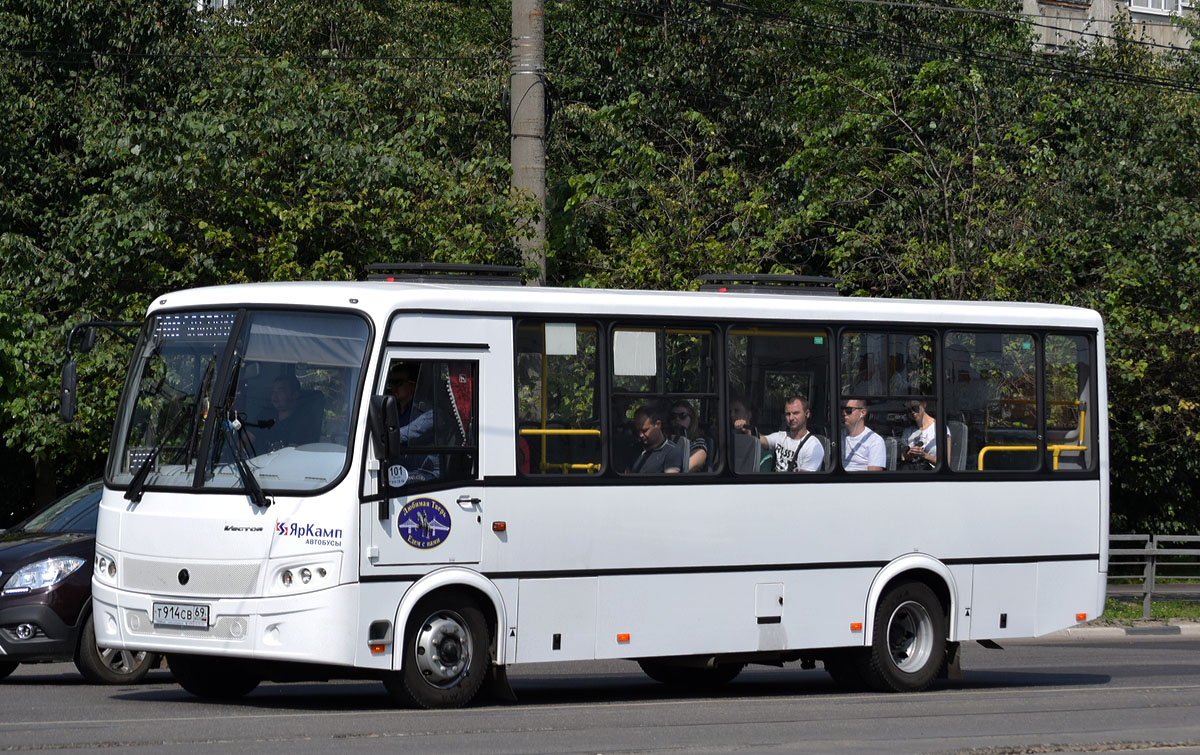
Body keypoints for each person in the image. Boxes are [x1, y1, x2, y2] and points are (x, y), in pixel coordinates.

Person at [737, 395, 824, 472]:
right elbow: (760, 440)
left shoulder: (813, 446)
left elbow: (803, 483)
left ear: (807, 414)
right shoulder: (780, 436)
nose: (791, 418)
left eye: (796, 413)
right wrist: (746, 430)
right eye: (787, 414)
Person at [385, 361, 439, 482]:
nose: (392, 387)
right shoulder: (392, 411)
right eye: (390, 383)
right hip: (401, 474)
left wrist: (380, 436)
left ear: (414, 385)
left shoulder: (429, 413)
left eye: (397, 382)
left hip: (425, 476)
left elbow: (400, 436)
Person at [260, 375, 319, 451]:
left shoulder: (304, 421)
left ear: (295, 395)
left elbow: (292, 452)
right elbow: (248, 438)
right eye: (273, 391)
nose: (274, 396)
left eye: (281, 391)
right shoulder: (266, 414)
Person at [629, 404, 681, 474]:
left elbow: (670, 482)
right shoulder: (635, 449)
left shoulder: (671, 451)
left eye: (645, 430)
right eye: (638, 431)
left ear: (658, 424)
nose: (640, 435)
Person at [841, 398, 885, 471]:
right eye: (842, 410)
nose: (844, 413)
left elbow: (874, 476)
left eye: (848, 410)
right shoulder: (839, 436)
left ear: (863, 413)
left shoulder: (875, 440)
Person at [668, 400, 709, 472]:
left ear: (691, 418)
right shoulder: (666, 441)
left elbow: (687, 469)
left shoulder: (698, 443)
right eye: (673, 416)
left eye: (682, 415)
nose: (677, 419)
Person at [900, 400, 939, 468]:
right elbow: (903, 456)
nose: (912, 412)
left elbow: (946, 463)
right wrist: (908, 456)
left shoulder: (939, 428)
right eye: (908, 410)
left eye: (915, 408)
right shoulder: (907, 431)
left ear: (923, 405)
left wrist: (924, 455)